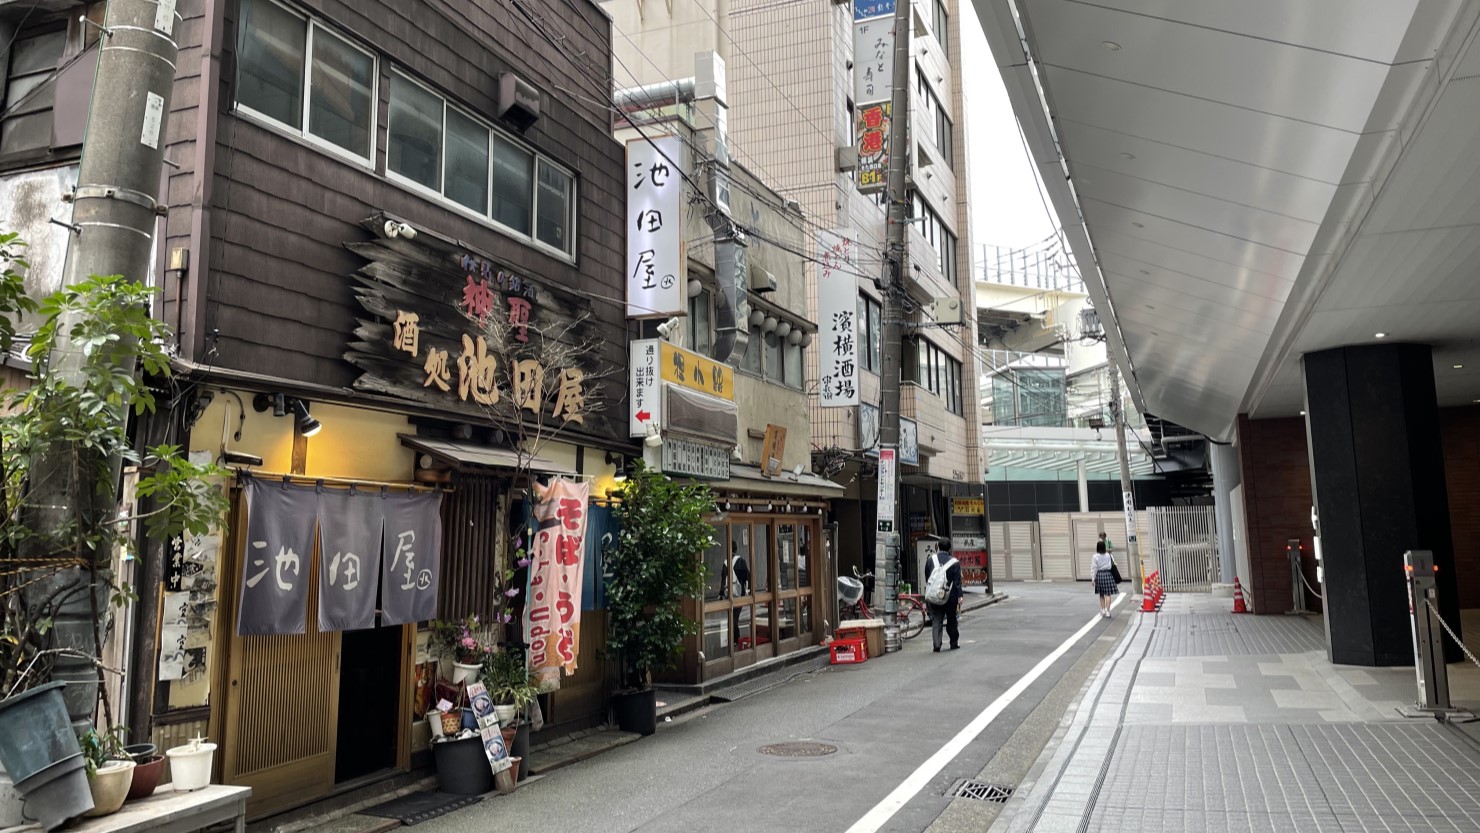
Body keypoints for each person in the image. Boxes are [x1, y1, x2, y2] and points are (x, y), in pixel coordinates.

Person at [924, 540, 962, 652]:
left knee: (937, 619)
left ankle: (936, 644)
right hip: (951, 596)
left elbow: (928, 577)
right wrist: (960, 596)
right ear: (949, 548)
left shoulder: (931, 560)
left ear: (938, 547)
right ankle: (953, 643)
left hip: (935, 595)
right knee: (952, 619)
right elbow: (957, 581)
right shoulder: (954, 562)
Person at [1092, 540, 1116, 618]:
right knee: (1108, 594)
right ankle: (1108, 611)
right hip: (1108, 574)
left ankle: (1102, 610)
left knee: (1101, 594)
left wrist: (1093, 578)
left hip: (1099, 575)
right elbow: (1112, 564)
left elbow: (1094, 568)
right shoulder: (1109, 555)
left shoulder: (1095, 556)